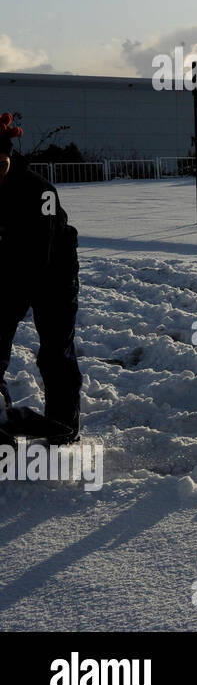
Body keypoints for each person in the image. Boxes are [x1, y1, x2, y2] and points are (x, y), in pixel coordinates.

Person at [0, 114, 83, 449]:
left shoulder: (40, 192)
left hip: (52, 275)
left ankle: (63, 428)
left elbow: (38, 257)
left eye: (0, 164)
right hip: (8, 271)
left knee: (55, 352)